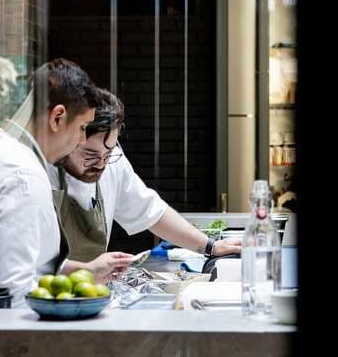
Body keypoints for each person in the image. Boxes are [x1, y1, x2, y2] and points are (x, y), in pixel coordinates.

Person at [0, 60, 133, 308]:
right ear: (57, 117)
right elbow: (11, 291)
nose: (82, 139)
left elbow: (18, 262)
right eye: (82, 127)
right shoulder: (22, 177)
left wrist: (85, 271)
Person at [49, 88, 242, 262]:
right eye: (90, 155)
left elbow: (151, 212)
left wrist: (211, 247)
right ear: (70, 137)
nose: (101, 164)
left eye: (108, 154)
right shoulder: (42, 170)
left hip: (90, 288)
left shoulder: (113, 164)